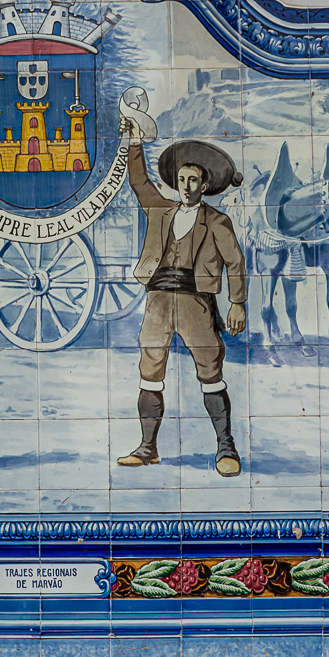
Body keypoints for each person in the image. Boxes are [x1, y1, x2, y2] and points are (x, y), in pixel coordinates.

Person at [119, 122, 248, 477]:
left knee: (211, 375)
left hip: (196, 304)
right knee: (149, 374)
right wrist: (133, 141)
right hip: (158, 302)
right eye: (182, 179)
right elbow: (139, 183)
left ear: (204, 185)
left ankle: (226, 448)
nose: (187, 186)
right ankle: (148, 448)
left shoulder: (218, 222)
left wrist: (238, 303)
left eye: (194, 181)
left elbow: (235, 261)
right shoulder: (161, 210)